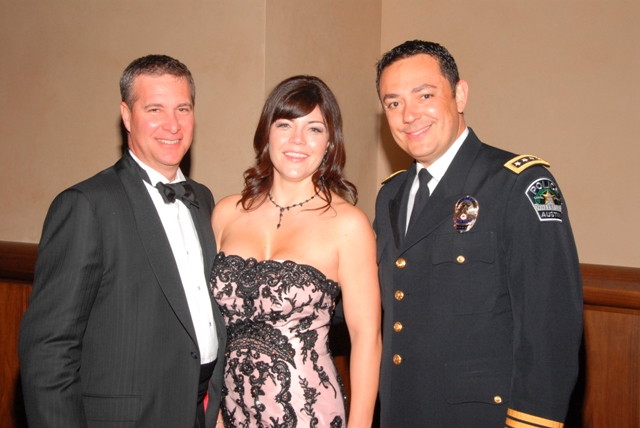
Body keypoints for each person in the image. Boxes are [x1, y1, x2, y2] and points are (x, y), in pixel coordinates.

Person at [373, 40, 583, 428]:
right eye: (394, 103)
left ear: (460, 95)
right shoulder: (391, 195)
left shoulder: (519, 185)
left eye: (424, 95)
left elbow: (550, 326)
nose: (409, 115)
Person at [19, 55, 226, 428]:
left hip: (200, 414)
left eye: (182, 109)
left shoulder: (204, 199)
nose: (173, 125)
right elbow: (48, 351)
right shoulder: (87, 205)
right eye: (154, 109)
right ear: (127, 116)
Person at [210, 75, 382, 428]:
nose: (298, 140)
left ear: (330, 142)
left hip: (309, 413)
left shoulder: (348, 225)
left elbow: (367, 338)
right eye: (285, 124)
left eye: (314, 129)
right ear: (267, 133)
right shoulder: (226, 213)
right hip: (230, 413)